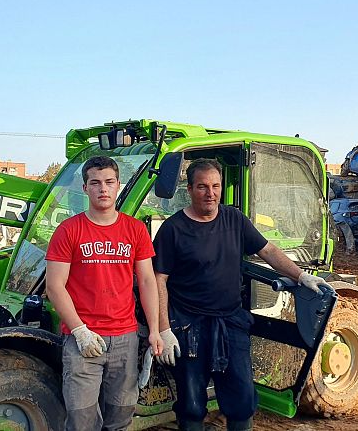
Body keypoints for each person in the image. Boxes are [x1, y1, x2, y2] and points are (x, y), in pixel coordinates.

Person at [152, 158, 327, 431]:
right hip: (188, 326)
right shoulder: (173, 229)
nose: (210, 193)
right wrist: (164, 329)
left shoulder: (234, 219)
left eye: (215, 186)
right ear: (189, 189)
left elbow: (268, 251)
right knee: (191, 402)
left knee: (242, 398)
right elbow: (158, 280)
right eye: (202, 187)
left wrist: (301, 276)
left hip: (231, 322)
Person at [46, 156, 164, 431]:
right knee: (81, 419)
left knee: (121, 415)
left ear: (118, 185)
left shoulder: (134, 230)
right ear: (85, 188)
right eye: (95, 183)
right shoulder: (68, 230)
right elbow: (54, 286)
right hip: (83, 341)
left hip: (125, 338)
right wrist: (80, 331)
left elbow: (147, 280)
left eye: (109, 182)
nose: (103, 189)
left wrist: (156, 331)